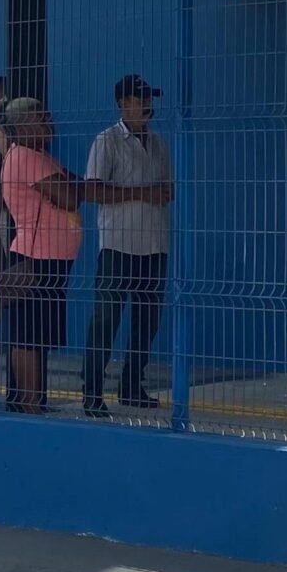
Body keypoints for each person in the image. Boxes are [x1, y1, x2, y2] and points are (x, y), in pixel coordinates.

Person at [82, 74, 174, 418]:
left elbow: (166, 187)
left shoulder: (159, 143)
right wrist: (143, 193)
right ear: (123, 103)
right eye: (140, 99)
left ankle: (132, 384)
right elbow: (92, 191)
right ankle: (91, 391)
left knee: (147, 320)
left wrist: (163, 193)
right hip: (118, 244)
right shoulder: (107, 141)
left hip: (154, 243)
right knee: (106, 320)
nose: (147, 105)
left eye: (149, 98)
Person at [0, 98, 82, 413]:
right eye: (40, 115)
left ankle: (33, 401)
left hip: (50, 258)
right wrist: (69, 186)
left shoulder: (41, 157)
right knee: (26, 334)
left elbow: (76, 186)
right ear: (21, 124)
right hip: (34, 258)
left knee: (38, 334)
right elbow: (70, 196)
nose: (49, 120)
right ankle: (28, 403)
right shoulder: (25, 157)